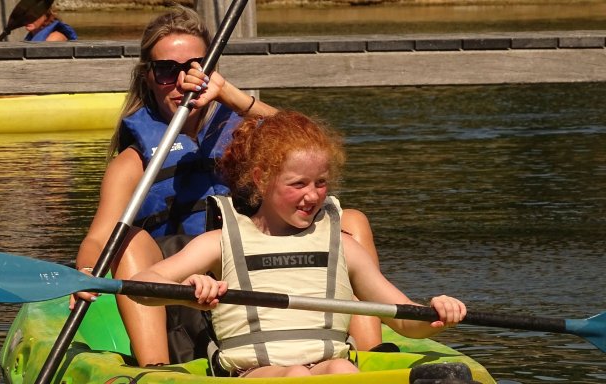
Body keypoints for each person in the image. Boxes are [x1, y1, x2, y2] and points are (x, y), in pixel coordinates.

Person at [74, 5, 381, 367]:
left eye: (194, 68)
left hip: (251, 257)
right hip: (179, 275)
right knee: (125, 238)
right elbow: (99, 237)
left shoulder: (240, 134)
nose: (181, 81)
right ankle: (155, 367)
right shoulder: (132, 160)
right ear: (149, 77)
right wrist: (84, 272)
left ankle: (374, 355)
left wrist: (231, 96)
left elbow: (307, 142)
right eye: (166, 71)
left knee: (352, 221)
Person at [130, 110, 467, 378]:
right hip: (256, 373)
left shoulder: (343, 247)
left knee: (342, 369)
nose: (312, 195)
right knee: (292, 374)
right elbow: (139, 286)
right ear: (262, 178)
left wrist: (437, 315)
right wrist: (190, 292)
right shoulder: (219, 242)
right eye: (299, 183)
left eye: (321, 183)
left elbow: (406, 320)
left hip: (325, 367)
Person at [0, 8, 77, 42]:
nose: (28, 19)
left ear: (46, 17)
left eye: (34, 15)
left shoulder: (55, 38)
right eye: (25, 15)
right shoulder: (32, 37)